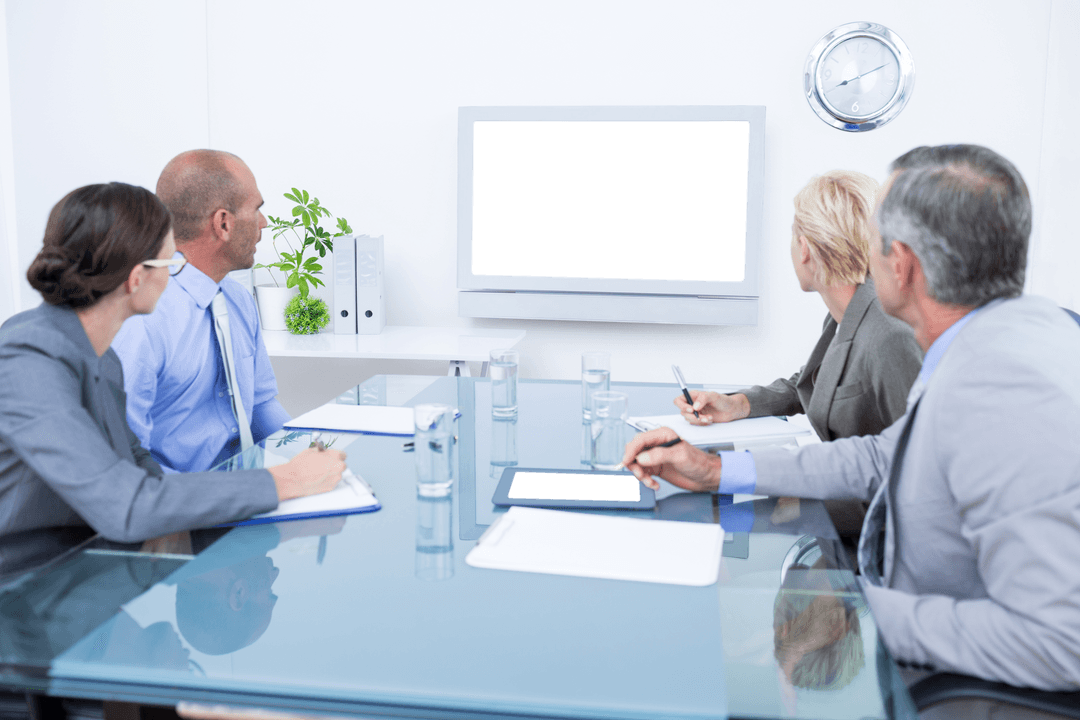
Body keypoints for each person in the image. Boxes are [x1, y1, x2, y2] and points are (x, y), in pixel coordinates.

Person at [622, 144, 1080, 691]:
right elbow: (887, 454)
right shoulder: (1007, 338)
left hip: (972, 685)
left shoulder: (1000, 390)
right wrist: (718, 471)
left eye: (873, 236)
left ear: (900, 263)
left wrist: (867, 610)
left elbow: (1060, 644)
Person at [0, 182, 345, 543]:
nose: (177, 274)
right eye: (171, 262)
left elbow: (145, 476)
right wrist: (285, 481)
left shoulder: (102, 358)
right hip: (31, 585)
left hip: (95, 567)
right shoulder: (28, 361)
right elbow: (128, 506)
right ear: (137, 279)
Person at [676, 170, 922, 443]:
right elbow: (815, 383)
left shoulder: (889, 334)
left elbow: (917, 454)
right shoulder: (848, 312)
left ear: (804, 248)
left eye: (794, 235)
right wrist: (738, 404)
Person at [112, 150, 288, 472]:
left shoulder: (238, 300)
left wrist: (306, 457)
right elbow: (123, 460)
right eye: (257, 209)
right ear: (223, 223)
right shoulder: (142, 318)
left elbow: (262, 406)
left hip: (243, 494)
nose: (264, 222)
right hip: (181, 509)